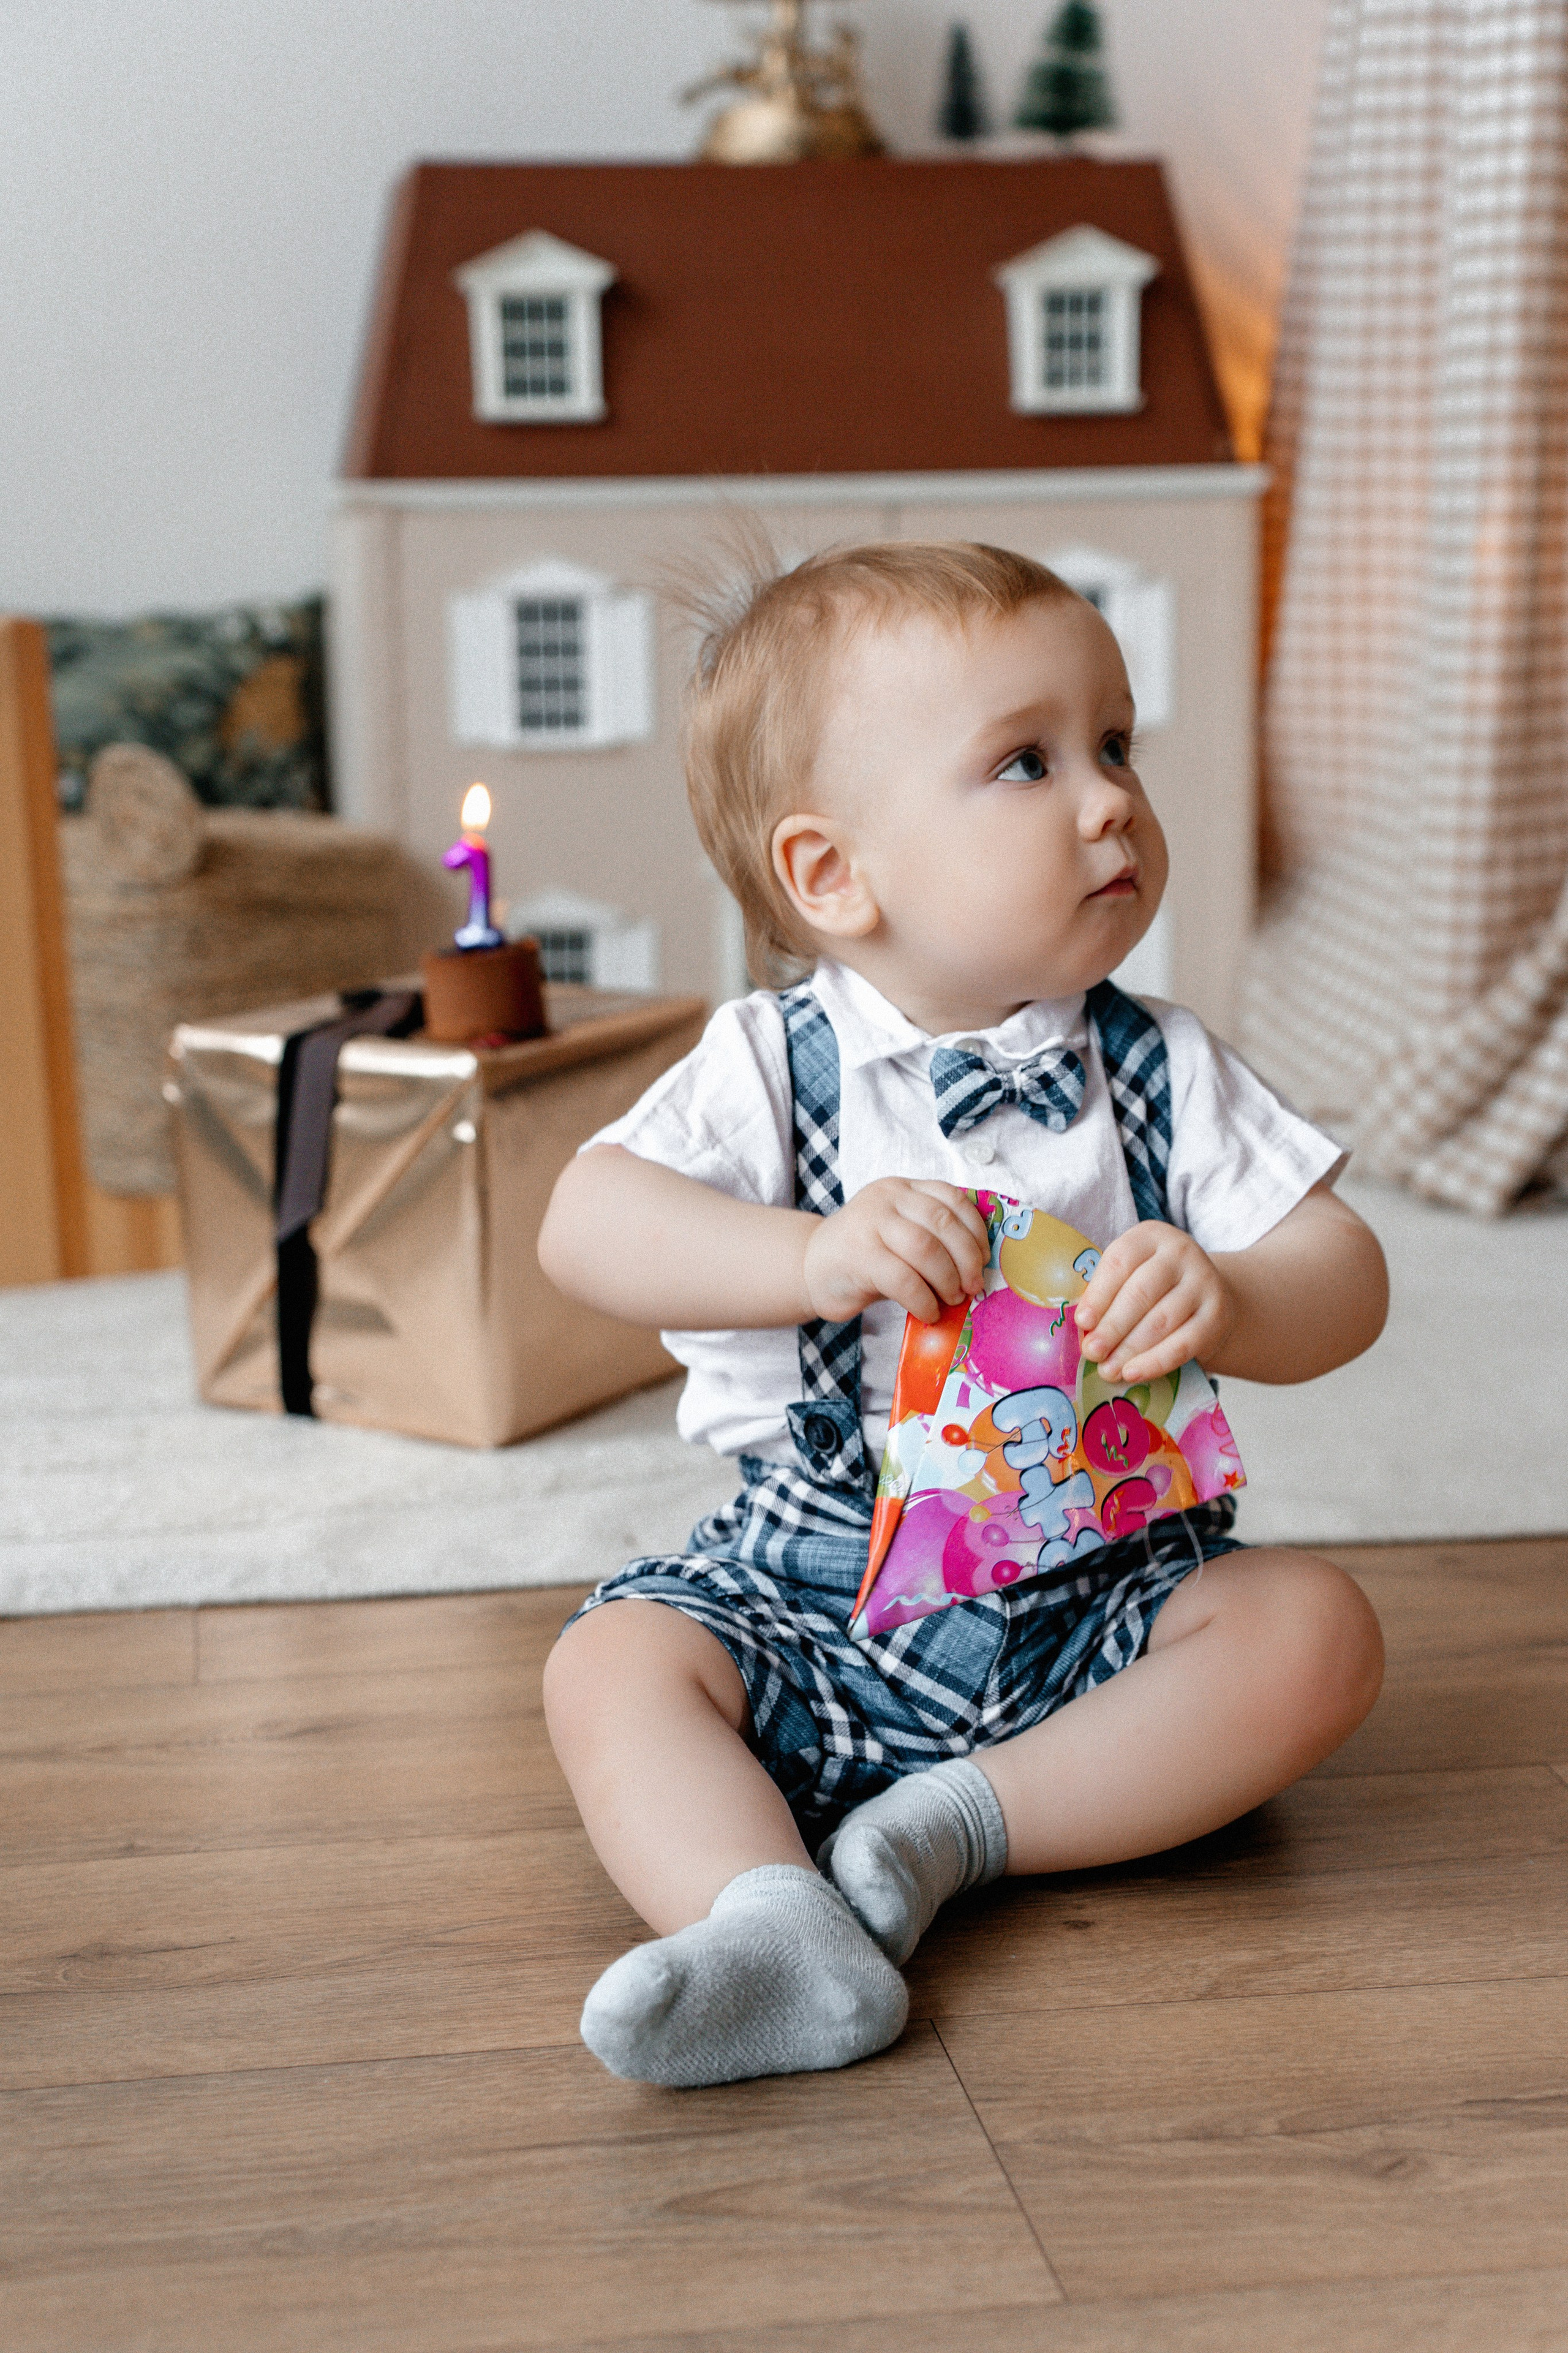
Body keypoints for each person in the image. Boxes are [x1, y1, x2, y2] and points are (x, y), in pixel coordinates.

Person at [538, 540, 1387, 2090]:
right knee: (613, 1665)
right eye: (1025, 760)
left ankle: (947, 1832)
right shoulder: (766, 1065)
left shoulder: (1158, 1067)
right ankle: (768, 1923)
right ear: (829, 874)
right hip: (807, 1591)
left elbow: (1346, 1277)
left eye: (1114, 743)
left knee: (1311, 1634)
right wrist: (802, 1258)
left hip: (1101, 1589)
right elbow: (583, 1225)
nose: (1109, 796)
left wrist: (1233, 1289)